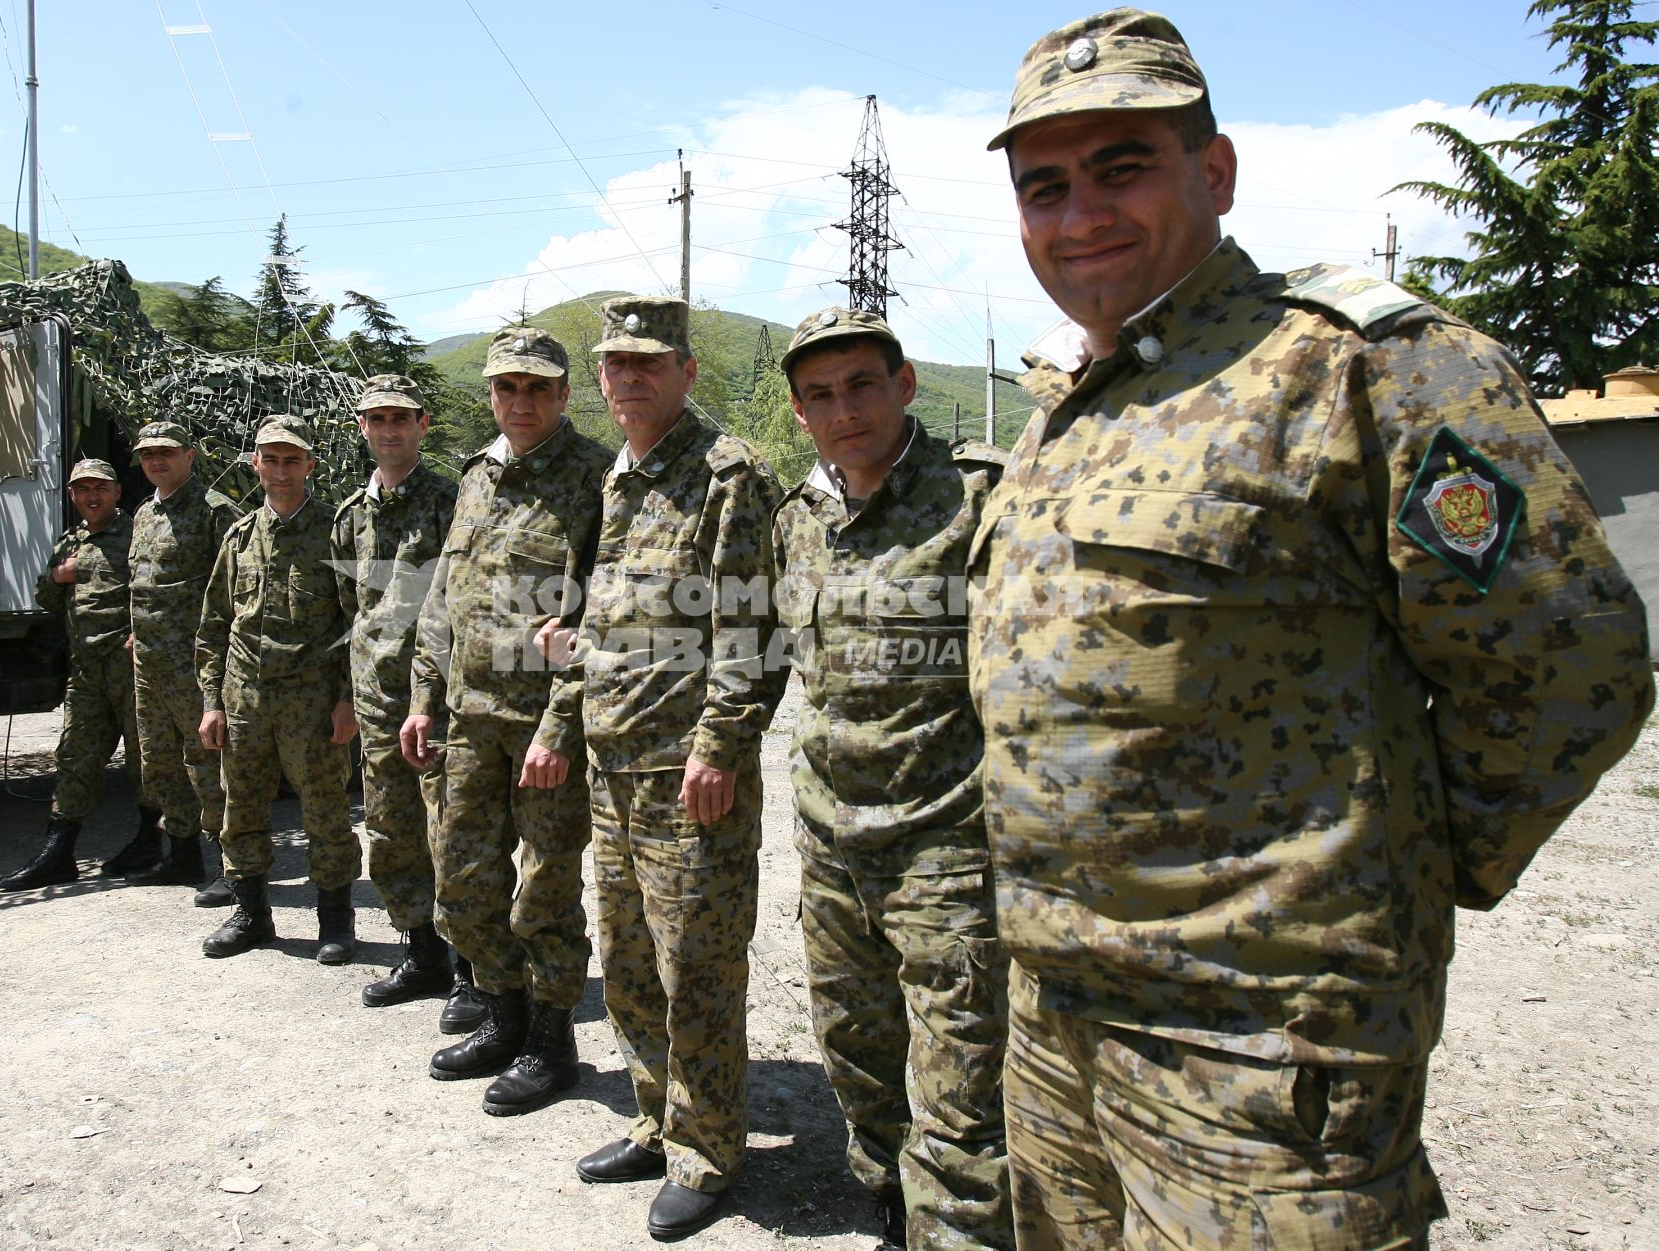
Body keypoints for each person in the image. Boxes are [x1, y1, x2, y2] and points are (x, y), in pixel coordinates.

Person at [972, 10, 1655, 1247]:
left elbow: (1572, 666)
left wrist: (1380, 891)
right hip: (1054, 1018)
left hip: (1262, 1052)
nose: (1081, 217)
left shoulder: (1366, 370)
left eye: (1123, 166)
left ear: (1215, 172)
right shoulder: (1064, 410)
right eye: (1046, 187)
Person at [544, 296, 786, 1241]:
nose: (630, 377)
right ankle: (656, 1119)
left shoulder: (728, 474)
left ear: (686, 372)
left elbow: (750, 629)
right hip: (614, 768)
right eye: (616, 364)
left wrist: (722, 745)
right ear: (601, 381)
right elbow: (611, 616)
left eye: (650, 362)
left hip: (690, 779)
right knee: (632, 962)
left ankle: (708, 1149)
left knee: (698, 969)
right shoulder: (618, 478)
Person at [772, 307, 1012, 1251]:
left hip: (945, 847)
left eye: (862, 384)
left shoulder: (979, 498)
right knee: (856, 1052)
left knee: (964, 1080)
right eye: (820, 396)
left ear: (905, 385)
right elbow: (760, 652)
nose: (845, 409)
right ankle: (888, 1198)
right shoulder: (798, 521)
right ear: (799, 414)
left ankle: (958, 1225)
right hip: (831, 843)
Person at [400, 327, 609, 1115]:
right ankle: (503, 1013)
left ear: (562, 394)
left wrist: (561, 724)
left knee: (545, 891)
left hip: (541, 730)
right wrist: (425, 699)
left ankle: (551, 1043)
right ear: (491, 394)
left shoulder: (594, 477)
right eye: (506, 387)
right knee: (461, 880)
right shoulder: (477, 475)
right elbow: (442, 601)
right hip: (467, 721)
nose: (520, 401)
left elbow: (604, 617)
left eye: (537, 387)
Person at [330, 374, 480, 1030]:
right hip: (375, 699)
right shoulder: (347, 518)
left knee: (454, 837)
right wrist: (347, 693)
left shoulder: (451, 502)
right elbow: (348, 612)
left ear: (422, 424)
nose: (388, 429)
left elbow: (465, 602)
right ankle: (422, 953)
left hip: (441, 701)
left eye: (401, 417)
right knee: (392, 833)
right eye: (376, 418)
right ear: (361, 428)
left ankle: (475, 971)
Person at [195, 417, 359, 962]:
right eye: (272, 459)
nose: (282, 470)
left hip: (313, 700)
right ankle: (251, 914)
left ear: (310, 465)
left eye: (293, 460)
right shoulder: (238, 538)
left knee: (326, 811)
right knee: (240, 807)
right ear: (255, 464)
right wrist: (212, 702)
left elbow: (359, 623)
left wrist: (348, 698)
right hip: (245, 700)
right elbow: (215, 625)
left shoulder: (336, 532)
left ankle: (335, 920)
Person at [0, 458, 159, 890]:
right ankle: (59, 852)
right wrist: (58, 574)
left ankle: (151, 840)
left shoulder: (137, 536)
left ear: (117, 492)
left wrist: (141, 633)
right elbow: (47, 598)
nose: (92, 496)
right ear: (71, 495)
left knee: (147, 759)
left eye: (100, 488)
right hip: (86, 671)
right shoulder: (71, 541)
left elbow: (163, 590)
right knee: (75, 756)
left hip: (129, 667)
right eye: (83, 489)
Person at [122, 420, 242, 904]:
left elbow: (236, 588)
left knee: (208, 764)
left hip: (196, 663)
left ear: (189, 457)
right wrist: (137, 630)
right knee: (159, 763)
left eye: (166, 453)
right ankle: (182, 852)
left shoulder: (216, 512)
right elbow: (146, 584)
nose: (156, 462)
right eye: (148, 454)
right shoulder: (143, 514)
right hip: (150, 664)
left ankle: (232, 867)